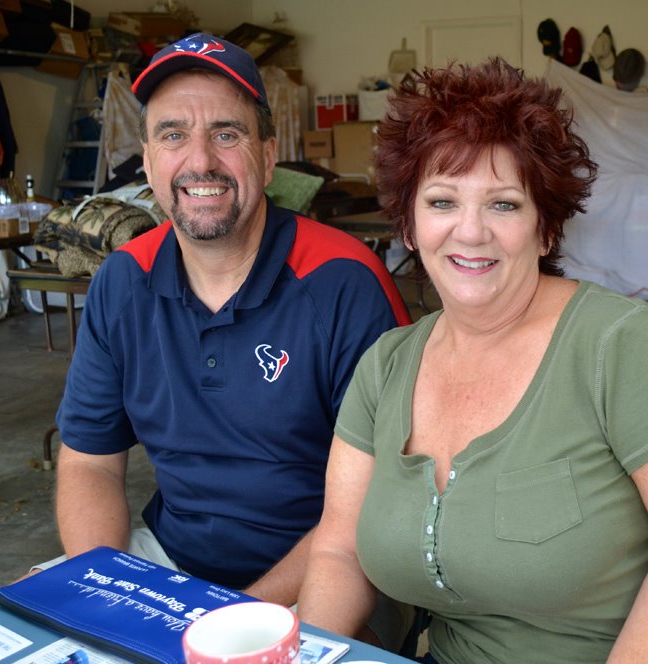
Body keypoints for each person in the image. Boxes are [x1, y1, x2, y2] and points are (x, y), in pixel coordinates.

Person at [298, 58, 648, 663]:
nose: (470, 232)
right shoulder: (387, 366)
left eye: (504, 205)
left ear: (546, 229)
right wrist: (306, 655)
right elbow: (337, 549)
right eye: (442, 202)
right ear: (408, 226)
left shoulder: (617, 345)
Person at [42, 33, 411, 645]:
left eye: (227, 133)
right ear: (149, 158)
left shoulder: (342, 282)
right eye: (173, 135)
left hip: (334, 572)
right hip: (172, 565)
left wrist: (228, 623)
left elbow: (371, 510)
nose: (200, 161)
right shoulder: (122, 280)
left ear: (268, 156)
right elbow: (89, 465)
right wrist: (104, 591)